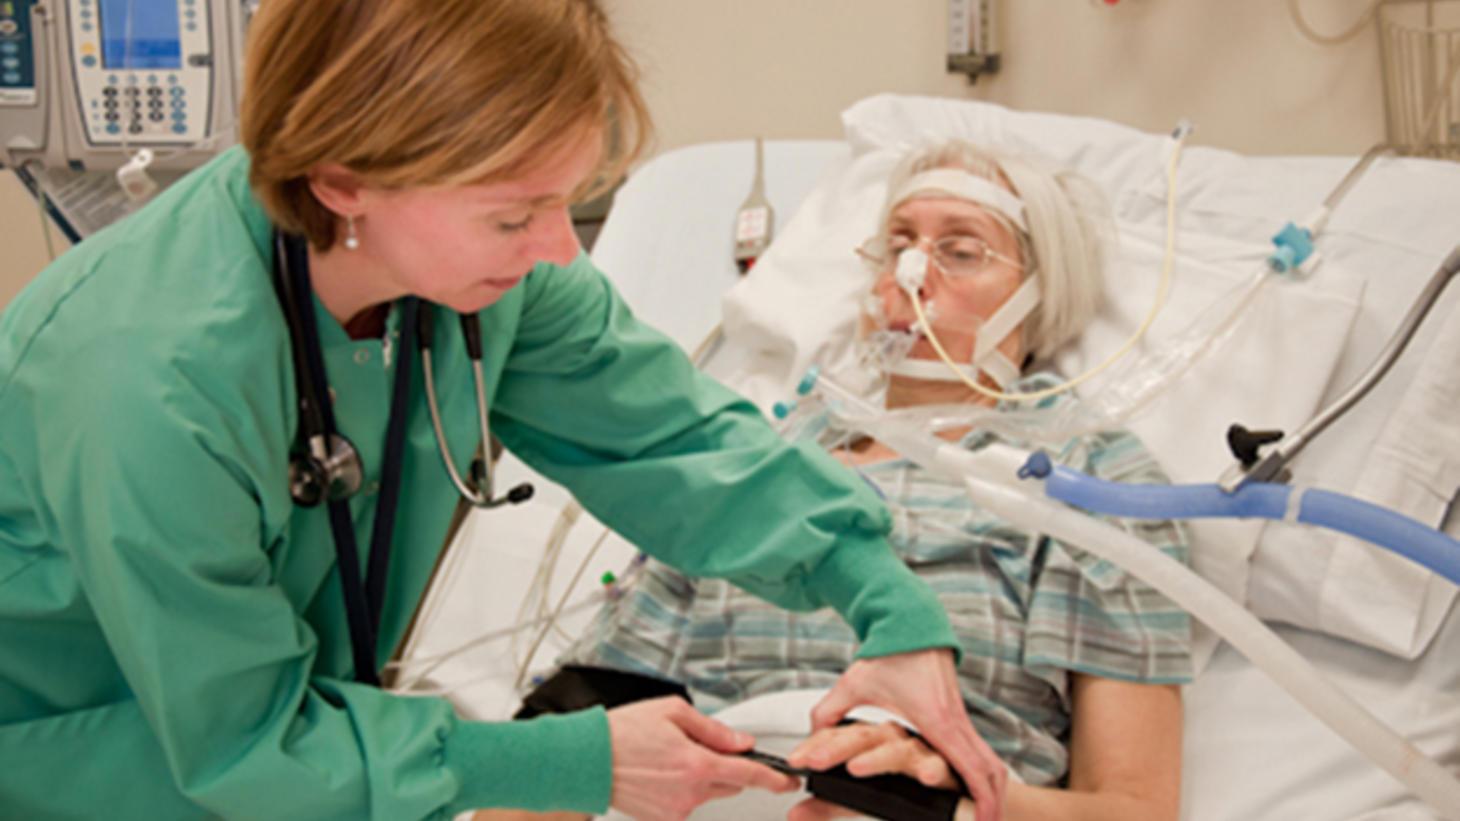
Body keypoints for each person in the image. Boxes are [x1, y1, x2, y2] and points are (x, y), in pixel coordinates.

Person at [0, 3, 1003, 820]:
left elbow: (672, 435)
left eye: (570, 199)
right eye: (515, 214)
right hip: (90, 763)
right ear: (343, 179)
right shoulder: (146, 378)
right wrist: (566, 762)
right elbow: (242, 741)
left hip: (311, 765)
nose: (559, 249)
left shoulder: (485, 278)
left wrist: (885, 600)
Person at [513, 139, 1194, 821]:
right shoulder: (760, 460)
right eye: (897, 243)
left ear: (1041, 292)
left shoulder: (1089, 475)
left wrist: (947, 795)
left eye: (961, 251)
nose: (912, 272)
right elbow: (585, 721)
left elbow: (1133, 807)